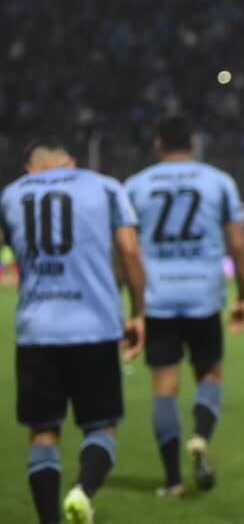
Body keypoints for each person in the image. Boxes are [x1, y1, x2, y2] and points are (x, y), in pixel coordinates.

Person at [1, 138, 145, 524]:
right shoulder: (103, 185)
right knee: (102, 426)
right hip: (94, 327)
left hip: (36, 331)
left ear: (30, 168)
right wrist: (138, 313)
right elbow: (129, 251)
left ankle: (48, 521)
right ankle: (83, 491)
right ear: (71, 163)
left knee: (42, 432)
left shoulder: (11, 194)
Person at [123, 113, 244, 497]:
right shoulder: (218, 182)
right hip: (203, 296)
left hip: (158, 298)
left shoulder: (135, 185)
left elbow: (125, 251)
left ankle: (173, 481)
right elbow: (239, 246)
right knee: (209, 375)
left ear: (157, 143)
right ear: (193, 143)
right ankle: (200, 436)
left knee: (164, 387)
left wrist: (134, 307)